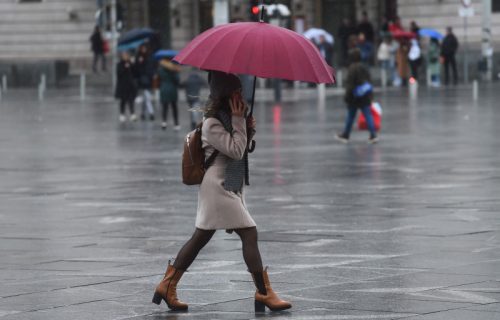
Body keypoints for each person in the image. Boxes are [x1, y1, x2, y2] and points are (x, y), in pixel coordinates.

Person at [152, 70, 292, 312]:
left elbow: (240, 148)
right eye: (236, 90)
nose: (240, 94)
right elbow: (236, 151)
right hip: (217, 187)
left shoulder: (228, 117)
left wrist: (247, 128)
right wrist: (240, 123)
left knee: (200, 238)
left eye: (240, 89)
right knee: (249, 233)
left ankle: (167, 285)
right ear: (225, 93)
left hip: (227, 185)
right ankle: (263, 292)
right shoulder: (212, 123)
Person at [335, 49, 378, 144]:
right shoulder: (364, 67)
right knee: (368, 115)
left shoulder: (352, 68)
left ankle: (346, 135)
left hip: (354, 97)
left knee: (350, 116)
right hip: (365, 96)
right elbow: (369, 81)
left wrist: (347, 96)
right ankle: (373, 135)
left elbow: (350, 85)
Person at [157, 58, 181, 130]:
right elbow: (177, 80)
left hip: (163, 89)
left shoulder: (160, 70)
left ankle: (164, 122)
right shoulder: (174, 70)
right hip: (172, 90)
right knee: (174, 107)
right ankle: (176, 124)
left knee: (165, 107)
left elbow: (159, 78)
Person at [134, 44, 156, 120]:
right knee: (147, 97)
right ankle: (151, 113)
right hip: (142, 80)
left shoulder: (149, 56)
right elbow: (136, 69)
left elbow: (152, 67)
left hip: (148, 79)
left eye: (144, 48)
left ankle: (143, 113)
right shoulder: (138, 57)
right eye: (142, 48)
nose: (143, 50)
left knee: (145, 97)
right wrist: (139, 62)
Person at [115, 51, 137, 122]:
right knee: (123, 101)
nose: (125, 57)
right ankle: (122, 114)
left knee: (131, 100)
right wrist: (125, 68)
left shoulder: (130, 63)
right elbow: (119, 74)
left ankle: (132, 114)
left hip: (130, 85)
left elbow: (135, 72)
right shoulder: (119, 64)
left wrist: (133, 64)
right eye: (124, 56)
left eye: (127, 56)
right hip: (122, 85)